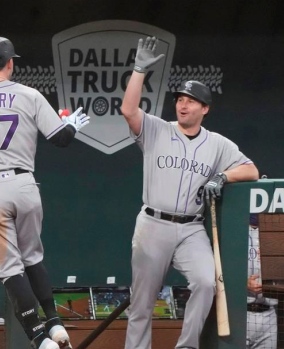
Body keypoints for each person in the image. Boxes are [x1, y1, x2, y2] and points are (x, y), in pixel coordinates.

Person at [0, 36, 91, 349]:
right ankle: (54, 322)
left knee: (11, 269)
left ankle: (40, 338)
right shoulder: (29, 95)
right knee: (32, 258)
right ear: (9, 63)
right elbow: (62, 139)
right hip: (25, 185)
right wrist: (70, 126)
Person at [120, 36, 259, 349]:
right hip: (153, 224)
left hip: (191, 228)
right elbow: (129, 110)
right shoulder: (157, 129)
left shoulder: (218, 144)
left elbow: (251, 169)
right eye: (180, 99)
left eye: (191, 100)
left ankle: (187, 346)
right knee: (141, 304)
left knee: (206, 282)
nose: (183, 104)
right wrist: (139, 69)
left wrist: (224, 175)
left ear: (205, 108)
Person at [247, 213, 277, 348]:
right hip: (239, 313)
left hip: (269, 315)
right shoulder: (233, 231)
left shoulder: (277, 233)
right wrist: (242, 283)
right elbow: (217, 274)